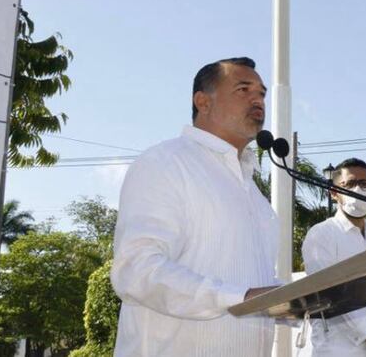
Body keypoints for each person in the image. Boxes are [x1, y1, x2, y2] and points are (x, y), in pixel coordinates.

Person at [110, 57, 281, 357]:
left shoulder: (257, 198)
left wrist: (307, 300)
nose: (258, 99)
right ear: (203, 102)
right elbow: (136, 269)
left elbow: (258, 288)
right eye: (243, 89)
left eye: (262, 93)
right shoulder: (165, 163)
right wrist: (238, 298)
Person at [301, 158, 366, 357]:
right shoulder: (322, 234)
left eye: (364, 184)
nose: (358, 189)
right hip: (340, 350)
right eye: (349, 184)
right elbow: (330, 293)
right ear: (334, 193)